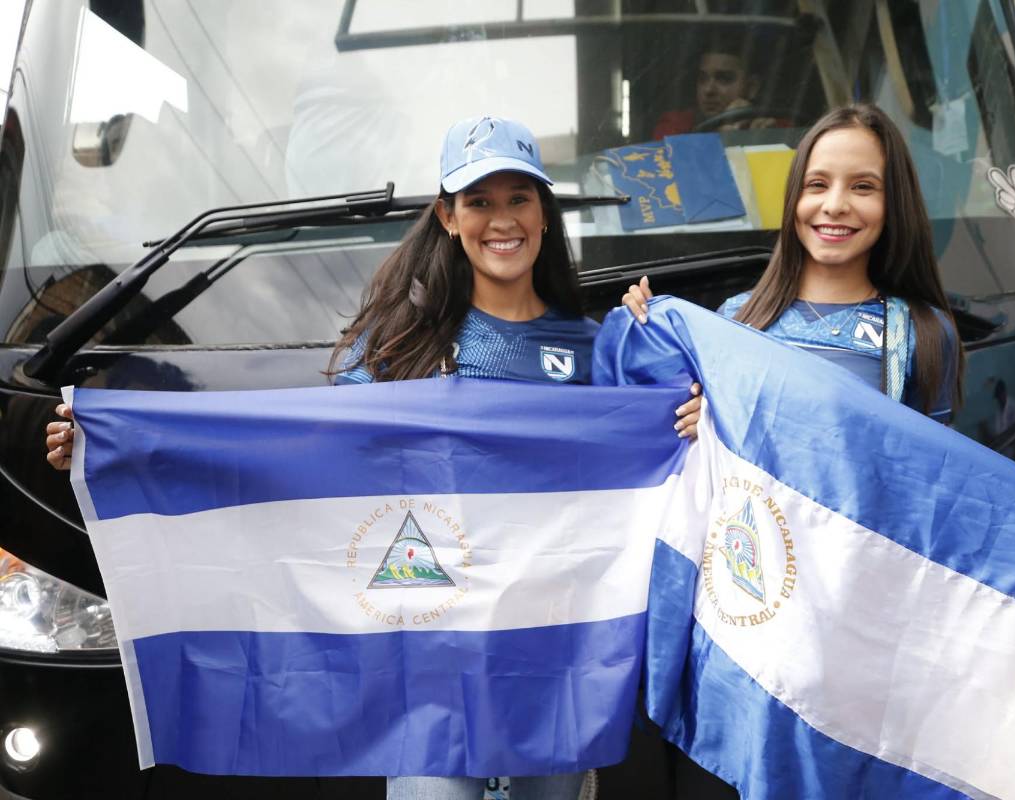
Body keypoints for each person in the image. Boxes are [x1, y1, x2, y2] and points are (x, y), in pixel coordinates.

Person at [47, 114, 703, 800]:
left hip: (548, 656)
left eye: (518, 199)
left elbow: (645, 474)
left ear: (544, 215)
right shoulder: (395, 344)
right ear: (448, 218)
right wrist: (111, 447)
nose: (500, 220)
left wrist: (679, 407)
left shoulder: (595, 347)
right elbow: (309, 462)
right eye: (479, 201)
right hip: (424, 664)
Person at [615, 102, 1015, 798]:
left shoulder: (920, 336)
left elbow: (942, 496)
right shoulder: (731, 323)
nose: (835, 205)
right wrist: (654, 375)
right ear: (794, 196)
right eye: (817, 184)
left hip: (842, 653)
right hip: (737, 634)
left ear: (893, 207)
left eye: (863, 186)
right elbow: (675, 476)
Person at [652, 39, 778, 140]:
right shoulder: (675, 125)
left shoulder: (775, 128)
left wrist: (768, 139)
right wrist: (720, 137)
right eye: (702, 79)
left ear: (752, 87)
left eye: (724, 79)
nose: (708, 90)